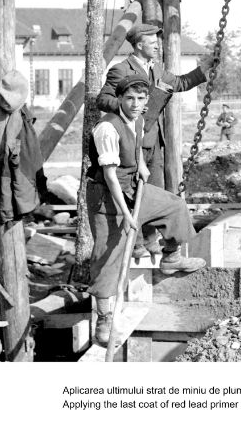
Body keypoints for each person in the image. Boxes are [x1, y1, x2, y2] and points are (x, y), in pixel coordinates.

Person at [86, 74, 205, 347]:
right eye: (129, 98)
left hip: (132, 188)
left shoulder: (139, 119)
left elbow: (137, 144)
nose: (135, 104)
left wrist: (140, 164)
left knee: (174, 206)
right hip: (107, 198)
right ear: (119, 99)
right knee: (108, 255)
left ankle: (171, 257)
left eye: (140, 98)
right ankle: (104, 320)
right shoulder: (107, 128)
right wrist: (128, 216)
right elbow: (110, 177)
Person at [98, 22, 208, 190]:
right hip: (130, 143)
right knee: (132, 191)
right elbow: (103, 99)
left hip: (153, 141)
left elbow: (180, 83)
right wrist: (128, 107)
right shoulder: (121, 70)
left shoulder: (156, 69)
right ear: (139, 45)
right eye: (153, 43)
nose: (157, 47)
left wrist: (206, 67)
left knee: (155, 191)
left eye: (157, 43)